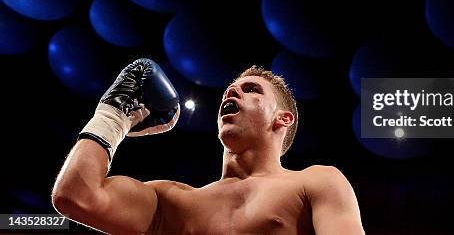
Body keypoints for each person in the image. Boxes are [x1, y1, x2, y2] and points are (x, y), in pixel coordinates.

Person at [52, 58, 365, 234]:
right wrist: (112, 116)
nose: (232, 94)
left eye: (251, 90)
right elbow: (75, 196)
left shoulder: (317, 182)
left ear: (283, 119)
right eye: (230, 90)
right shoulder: (170, 201)